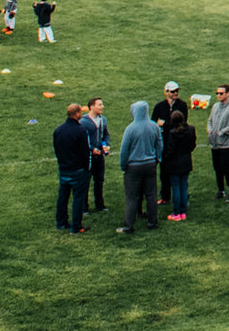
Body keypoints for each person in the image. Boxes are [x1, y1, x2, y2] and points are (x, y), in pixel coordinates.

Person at [116, 101, 162, 234]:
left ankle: (128, 225)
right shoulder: (154, 126)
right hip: (150, 165)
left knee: (132, 197)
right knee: (151, 195)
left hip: (134, 167)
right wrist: (157, 159)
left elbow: (124, 150)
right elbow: (159, 145)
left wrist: (123, 165)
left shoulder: (131, 128)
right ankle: (152, 222)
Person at [53, 102, 90, 233]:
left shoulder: (58, 130)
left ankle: (61, 222)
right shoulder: (80, 131)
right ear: (76, 114)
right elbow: (85, 152)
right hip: (78, 170)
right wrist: (86, 168)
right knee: (78, 198)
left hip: (64, 168)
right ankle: (76, 226)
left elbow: (56, 149)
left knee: (63, 197)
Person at [162, 108, 196, 221]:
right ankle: (183, 212)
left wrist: (166, 158)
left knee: (176, 187)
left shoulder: (173, 133)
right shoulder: (191, 129)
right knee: (184, 186)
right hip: (186, 161)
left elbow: (170, 149)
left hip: (175, 163)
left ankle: (177, 212)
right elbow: (193, 145)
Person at [207, 84, 229, 204]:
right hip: (214, 142)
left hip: (225, 143)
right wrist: (210, 130)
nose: (218, 95)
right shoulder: (215, 106)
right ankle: (221, 189)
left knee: (225, 166)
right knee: (217, 167)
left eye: (221, 93)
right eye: (217, 93)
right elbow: (210, 120)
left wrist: (223, 131)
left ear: (228, 94)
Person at [83, 97, 111, 211]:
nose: (102, 107)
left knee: (99, 181)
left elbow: (106, 134)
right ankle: (84, 207)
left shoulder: (103, 120)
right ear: (92, 107)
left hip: (100, 156)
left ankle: (100, 205)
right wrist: (91, 149)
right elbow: (83, 139)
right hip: (89, 157)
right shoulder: (84, 122)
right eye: (99, 105)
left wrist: (106, 145)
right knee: (86, 182)